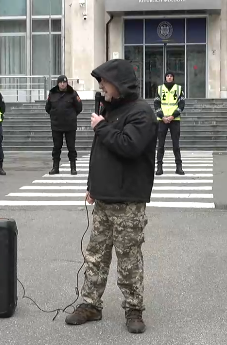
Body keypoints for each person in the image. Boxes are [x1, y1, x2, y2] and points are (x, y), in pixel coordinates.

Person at [64, 59, 158, 334]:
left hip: (128, 201)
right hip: (104, 199)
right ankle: (91, 304)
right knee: (96, 255)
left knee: (128, 257)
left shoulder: (141, 113)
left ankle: (134, 309)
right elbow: (100, 156)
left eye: (104, 82)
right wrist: (93, 185)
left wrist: (101, 127)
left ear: (118, 84)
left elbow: (129, 147)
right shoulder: (110, 110)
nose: (101, 88)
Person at [45, 75, 83, 175]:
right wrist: (55, 116)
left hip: (70, 125)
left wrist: (71, 116)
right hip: (56, 125)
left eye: (64, 82)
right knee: (56, 147)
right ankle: (55, 167)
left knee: (71, 147)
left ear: (67, 83)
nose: (62, 84)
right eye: (61, 82)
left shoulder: (73, 93)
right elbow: (47, 108)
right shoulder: (52, 93)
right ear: (58, 83)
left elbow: (79, 107)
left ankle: (73, 168)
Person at [154, 71, 185, 176]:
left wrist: (172, 116)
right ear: (165, 78)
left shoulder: (179, 88)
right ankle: (159, 167)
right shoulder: (159, 88)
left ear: (173, 78)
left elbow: (181, 105)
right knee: (160, 145)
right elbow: (156, 104)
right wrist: (162, 116)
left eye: (171, 76)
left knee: (176, 144)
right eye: (167, 76)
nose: (169, 77)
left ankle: (179, 167)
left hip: (174, 120)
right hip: (162, 120)